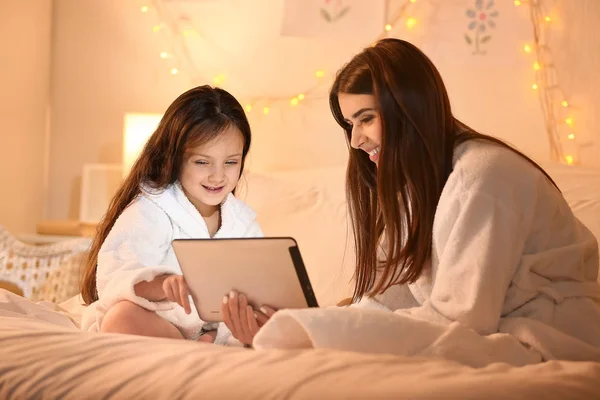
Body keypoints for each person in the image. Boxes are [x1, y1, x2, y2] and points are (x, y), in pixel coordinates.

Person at [224, 39, 600, 362]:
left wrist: (321, 330)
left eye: (366, 119)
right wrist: (300, 323)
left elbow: (462, 321)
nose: (356, 140)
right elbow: (390, 301)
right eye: (349, 125)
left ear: (408, 108)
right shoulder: (415, 188)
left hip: (551, 335)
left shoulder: (483, 177)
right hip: (491, 326)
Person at [80, 85, 264, 345]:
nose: (218, 176)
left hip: (215, 333)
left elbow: (255, 292)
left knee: (270, 325)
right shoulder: (153, 207)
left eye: (231, 162)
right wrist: (161, 284)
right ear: (175, 158)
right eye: (202, 162)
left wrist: (239, 326)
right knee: (121, 318)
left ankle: (208, 344)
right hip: (156, 323)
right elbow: (117, 273)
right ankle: (196, 347)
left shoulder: (243, 223)